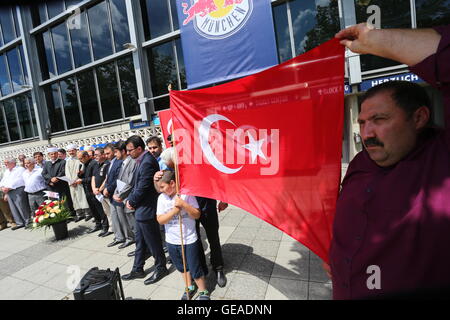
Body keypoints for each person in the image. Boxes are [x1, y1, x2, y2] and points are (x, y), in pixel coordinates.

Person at [328, 23, 450, 299]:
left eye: (380, 120)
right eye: (362, 122)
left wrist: (379, 41)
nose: (366, 133)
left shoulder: (442, 160)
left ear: (419, 118)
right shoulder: (361, 162)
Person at [121, 135, 168, 285]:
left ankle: (161, 267)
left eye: (130, 150)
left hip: (147, 208)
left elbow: (143, 186)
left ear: (139, 149)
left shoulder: (147, 161)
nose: (128, 153)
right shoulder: (141, 159)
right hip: (141, 209)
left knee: (153, 241)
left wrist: (131, 201)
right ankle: (138, 269)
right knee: (140, 242)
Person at [156, 170, 210, 300]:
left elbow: (196, 215)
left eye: (163, 187)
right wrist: (175, 211)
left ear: (172, 183)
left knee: (194, 266)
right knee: (182, 267)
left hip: (189, 239)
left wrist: (184, 205)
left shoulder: (186, 195)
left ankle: (203, 291)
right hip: (172, 240)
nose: (161, 190)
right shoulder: (161, 198)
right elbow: (160, 220)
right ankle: (189, 287)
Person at [109, 141, 137, 249]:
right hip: (122, 197)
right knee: (131, 225)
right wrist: (116, 193)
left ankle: (141, 248)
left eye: (116, 152)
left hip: (129, 198)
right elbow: (119, 180)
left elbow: (130, 182)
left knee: (135, 226)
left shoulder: (132, 162)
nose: (115, 155)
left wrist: (120, 195)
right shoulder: (123, 162)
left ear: (123, 151)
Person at [76, 151, 108, 234]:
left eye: (81, 158)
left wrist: (82, 180)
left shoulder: (93, 163)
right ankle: (98, 224)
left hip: (93, 190)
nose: (80, 160)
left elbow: (93, 177)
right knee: (93, 209)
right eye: (79, 159)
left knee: (100, 209)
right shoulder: (85, 164)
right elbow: (86, 176)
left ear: (86, 156)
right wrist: (80, 174)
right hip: (87, 190)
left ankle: (105, 226)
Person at [41, 147, 75, 217]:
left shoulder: (63, 162)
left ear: (57, 154)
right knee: (54, 202)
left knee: (65, 201)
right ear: (48, 155)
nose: (53, 155)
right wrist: (51, 179)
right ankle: (59, 215)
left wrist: (56, 178)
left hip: (61, 186)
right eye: (51, 154)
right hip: (51, 186)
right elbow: (44, 173)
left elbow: (62, 172)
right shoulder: (47, 163)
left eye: (55, 154)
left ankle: (69, 215)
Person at [0, 159, 29, 229]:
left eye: (7, 162)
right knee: (13, 208)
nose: (5, 164)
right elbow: (3, 180)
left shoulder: (20, 169)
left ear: (13, 163)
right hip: (8, 191)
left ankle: (27, 222)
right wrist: (2, 187)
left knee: (21, 206)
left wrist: (9, 187)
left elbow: (19, 180)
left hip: (18, 189)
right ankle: (19, 223)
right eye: (5, 163)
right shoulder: (6, 171)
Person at [65, 144, 90, 222]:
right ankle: (79, 214)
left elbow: (81, 170)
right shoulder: (67, 161)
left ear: (76, 150)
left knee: (82, 198)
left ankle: (87, 214)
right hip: (71, 183)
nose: (71, 152)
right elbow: (67, 173)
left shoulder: (79, 159)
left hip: (78, 182)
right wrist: (71, 181)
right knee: (74, 199)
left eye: (73, 150)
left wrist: (76, 180)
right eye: (69, 151)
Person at [91, 147, 112, 237]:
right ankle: (111, 228)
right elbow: (93, 177)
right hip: (98, 193)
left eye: (96, 155)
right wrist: (94, 189)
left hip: (105, 192)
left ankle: (115, 229)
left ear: (103, 155)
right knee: (106, 211)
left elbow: (107, 178)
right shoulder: (96, 165)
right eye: (94, 155)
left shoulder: (107, 164)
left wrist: (100, 189)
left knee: (112, 211)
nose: (95, 156)